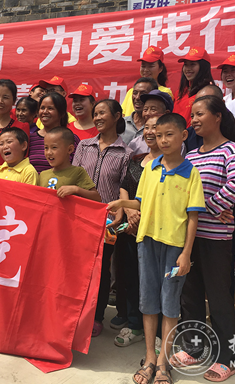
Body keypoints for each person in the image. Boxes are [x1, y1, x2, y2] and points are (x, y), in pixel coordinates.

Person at [107, 113, 205, 384]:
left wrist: (186, 253)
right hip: (147, 243)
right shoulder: (149, 169)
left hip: (174, 248)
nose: (163, 140)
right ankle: (150, 357)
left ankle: (164, 362)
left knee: (170, 305)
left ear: (183, 136)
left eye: (169, 135)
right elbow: (140, 203)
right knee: (148, 302)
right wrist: (121, 204)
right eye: (159, 135)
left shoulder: (191, 173)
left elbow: (193, 217)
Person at [172, 96, 235, 382]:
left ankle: (227, 357)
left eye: (199, 114)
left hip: (217, 239)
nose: (193, 120)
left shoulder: (230, 149)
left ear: (218, 117)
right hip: (189, 238)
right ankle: (193, 348)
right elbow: (181, 193)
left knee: (219, 298)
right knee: (189, 294)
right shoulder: (191, 156)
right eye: (192, 115)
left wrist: (212, 206)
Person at [73, 99, 132, 337]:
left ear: (117, 116)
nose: (97, 118)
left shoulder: (125, 153)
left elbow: (124, 188)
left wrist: (120, 212)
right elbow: (74, 176)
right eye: (95, 114)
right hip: (79, 217)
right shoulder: (84, 146)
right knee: (77, 267)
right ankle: (74, 313)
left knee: (101, 269)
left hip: (107, 221)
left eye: (102, 113)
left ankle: (96, 316)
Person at [110, 113, 164, 349]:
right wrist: (129, 212)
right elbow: (124, 186)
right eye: (147, 128)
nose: (150, 132)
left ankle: (159, 330)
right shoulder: (136, 159)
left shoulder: (171, 164)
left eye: (156, 128)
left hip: (155, 230)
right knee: (131, 278)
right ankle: (134, 325)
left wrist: (139, 215)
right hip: (130, 229)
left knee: (156, 281)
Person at [39, 127, 101, 201]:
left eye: (54, 147)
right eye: (46, 148)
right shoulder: (42, 175)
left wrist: (76, 189)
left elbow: (97, 198)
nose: (49, 152)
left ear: (70, 149)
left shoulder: (78, 172)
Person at [29, 93, 79, 173]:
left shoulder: (71, 139)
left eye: (50, 108)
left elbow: (77, 167)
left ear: (61, 113)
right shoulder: (30, 139)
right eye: (42, 108)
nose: (45, 112)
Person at [122, 45, 173, 116]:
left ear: (160, 68)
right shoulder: (131, 91)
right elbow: (123, 114)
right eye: (143, 66)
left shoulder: (164, 92)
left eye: (151, 66)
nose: (146, 70)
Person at [174, 47, 214, 127]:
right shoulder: (179, 93)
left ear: (203, 67)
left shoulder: (208, 92)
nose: (188, 69)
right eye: (186, 64)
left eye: (192, 64)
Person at [127, 89, 173, 156]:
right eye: (145, 109)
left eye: (153, 110)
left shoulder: (175, 144)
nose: (147, 113)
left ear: (166, 113)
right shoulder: (135, 144)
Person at [121, 78, 157, 145]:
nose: (137, 97)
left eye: (143, 94)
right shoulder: (120, 124)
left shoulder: (159, 127)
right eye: (135, 93)